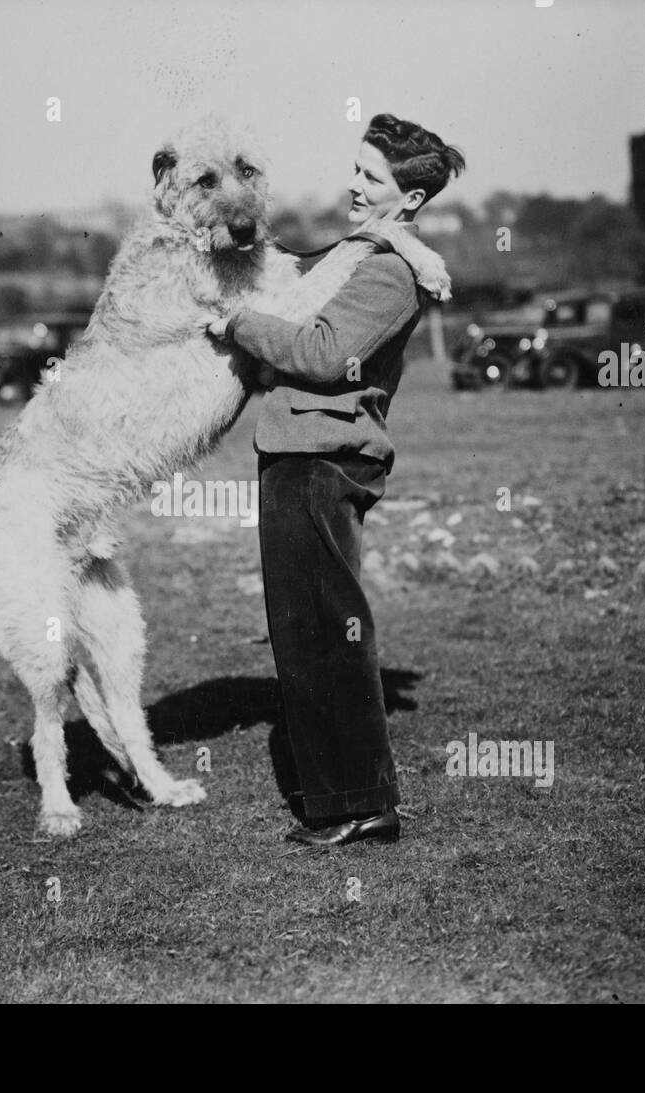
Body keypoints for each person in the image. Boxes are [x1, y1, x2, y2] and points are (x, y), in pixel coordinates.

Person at [204, 114, 464, 847]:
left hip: (322, 460)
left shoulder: (387, 274)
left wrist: (234, 324)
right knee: (305, 633)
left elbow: (322, 355)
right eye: (355, 167)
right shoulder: (367, 252)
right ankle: (341, 798)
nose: (353, 184)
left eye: (371, 177)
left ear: (407, 200)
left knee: (327, 634)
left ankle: (361, 802)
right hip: (296, 451)